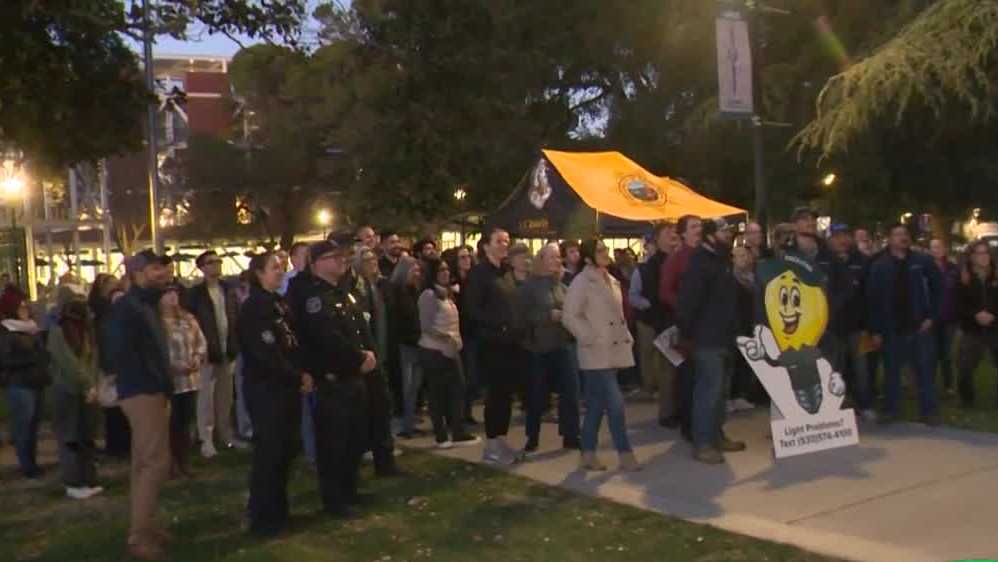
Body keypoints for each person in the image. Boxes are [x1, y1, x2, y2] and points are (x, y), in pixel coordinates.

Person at [294, 239, 378, 518]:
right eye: (333, 257)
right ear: (316, 264)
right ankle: (334, 499)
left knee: (354, 438)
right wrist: (358, 358)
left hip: (353, 376)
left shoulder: (341, 292)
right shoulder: (314, 298)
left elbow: (355, 328)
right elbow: (328, 338)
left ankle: (350, 490)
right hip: (333, 378)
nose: (342, 261)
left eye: (342, 256)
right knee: (334, 442)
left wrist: (366, 354)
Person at [238, 252, 313, 537]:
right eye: (274, 268)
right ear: (258, 273)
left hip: (287, 387)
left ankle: (279, 511)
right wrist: (296, 375)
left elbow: (292, 343)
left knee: (286, 450)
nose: (280, 271)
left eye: (282, 267)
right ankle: (263, 516)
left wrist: (302, 372)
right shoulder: (255, 308)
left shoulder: (278, 303)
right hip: (267, 389)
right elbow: (266, 353)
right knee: (270, 453)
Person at [109, 250, 175, 560]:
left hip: (150, 388)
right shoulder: (128, 306)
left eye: (164, 267)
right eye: (155, 268)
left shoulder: (145, 303)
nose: (163, 272)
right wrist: (152, 378)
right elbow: (120, 351)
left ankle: (145, 527)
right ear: (137, 272)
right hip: (141, 390)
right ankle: (139, 537)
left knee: (143, 463)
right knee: (155, 463)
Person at [562, 239, 641, 472]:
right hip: (596, 352)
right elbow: (570, 315)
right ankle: (625, 453)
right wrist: (589, 337)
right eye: (600, 251)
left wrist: (626, 335)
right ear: (588, 258)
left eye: (605, 249)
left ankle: (587, 453)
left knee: (596, 405)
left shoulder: (611, 279)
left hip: (613, 348)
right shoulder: (582, 281)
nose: (605, 253)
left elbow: (618, 314)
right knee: (615, 404)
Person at [677, 218, 745, 464]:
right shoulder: (700, 263)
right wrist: (690, 335)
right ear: (709, 236)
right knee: (708, 391)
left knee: (720, 393)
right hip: (707, 340)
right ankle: (703, 442)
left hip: (725, 337)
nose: (729, 234)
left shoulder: (721, 261)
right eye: (723, 231)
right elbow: (688, 304)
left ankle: (717, 434)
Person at [867, 223, 942, 425]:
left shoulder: (922, 261)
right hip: (891, 329)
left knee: (924, 371)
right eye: (897, 234)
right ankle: (892, 410)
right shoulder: (879, 265)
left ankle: (929, 411)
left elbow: (939, 290)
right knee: (891, 371)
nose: (903, 237)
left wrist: (932, 317)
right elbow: (872, 300)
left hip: (919, 326)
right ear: (889, 239)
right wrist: (875, 331)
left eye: (905, 234)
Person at [467, 228, 527, 465]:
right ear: (486, 246)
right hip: (492, 344)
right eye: (499, 241)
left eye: (507, 241)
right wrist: (499, 325)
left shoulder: (506, 272)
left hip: (511, 343)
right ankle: (491, 446)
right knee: (495, 394)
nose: (505, 245)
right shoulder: (479, 274)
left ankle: (501, 441)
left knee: (505, 395)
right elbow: (473, 309)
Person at [520, 243, 581, 452]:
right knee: (537, 396)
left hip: (562, 345)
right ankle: (532, 436)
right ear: (542, 260)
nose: (558, 261)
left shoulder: (561, 286)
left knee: (570, 391)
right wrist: (547, 316)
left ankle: (571, 435)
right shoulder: (530, 286)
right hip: (539, 349)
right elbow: (523, 315)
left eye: (558, 258)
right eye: (553, 257)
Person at [184, 251, 244, 458]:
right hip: (207, 353)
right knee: (205, 398)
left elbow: (235, 317)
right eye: (211, 262)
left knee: (225, 397)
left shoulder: (228, 290)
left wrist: (235, 345)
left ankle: (225, 434)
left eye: (218, 261)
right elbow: (191, 323)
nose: (216, 265)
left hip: (227, 349)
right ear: (202, 268)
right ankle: (206, 439)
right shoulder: (195, 294)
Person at [417, 258, 481, 449]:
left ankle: (458, 431)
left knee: (457, 390)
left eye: (446, 269)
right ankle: (441, 435)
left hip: (451, 351)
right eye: (440, 270)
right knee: (437, 394)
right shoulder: (428, 295)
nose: (445, 273)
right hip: (434, 351)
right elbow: (426, 326)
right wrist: (446, 338)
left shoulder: (447, 294)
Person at [352, 246, 404, 477]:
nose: (372, 262)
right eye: (366, 259)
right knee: (373, 405)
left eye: (374, 258)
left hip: (382, 350)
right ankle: (372, 448)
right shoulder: (358, 289)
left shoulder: (378, 286)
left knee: (382, 405)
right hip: (367, 356)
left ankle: (383, 453)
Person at [49, 299, 103, 499]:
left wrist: (93, 385)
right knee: (70, 437)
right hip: (67, 391)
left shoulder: (87, 333)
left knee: (86, 437)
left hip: (86, 392)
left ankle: (88, 478)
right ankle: (72, 482)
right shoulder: (58, 334)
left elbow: (93, 360)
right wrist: (88, 384)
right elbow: (68, 363)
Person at [630, 223, 680, 425]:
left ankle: (673, 409)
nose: (673, 236)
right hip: (655, 323)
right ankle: (665, 411)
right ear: (657, 239)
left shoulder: (681, 261)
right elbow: (634, 296)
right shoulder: (646, 268)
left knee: (673, 369)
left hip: (675, 322)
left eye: (675, 233)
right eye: (668, 233)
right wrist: (649, 305)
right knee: (663, 368)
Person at [660, 214, 703, 440]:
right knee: (687, 376)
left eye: (700, 226)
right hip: (687, 326)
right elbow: (665, 291)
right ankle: (687, 424)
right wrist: (686, 308)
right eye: (694, 226)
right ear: (683, 233)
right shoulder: (676, 259)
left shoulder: (706, 256)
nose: (699, 230)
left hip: (707, 326)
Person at [827, 225, 876, 422]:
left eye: (845, 236)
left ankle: (865, 405)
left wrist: (871, 326)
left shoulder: (863, 262)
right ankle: (832, 407)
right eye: (837, 237)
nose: (842, 240)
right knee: (833, 370)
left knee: (862, 369)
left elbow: (870, 295)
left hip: (859, 327)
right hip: (833, 328)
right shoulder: (826, 262)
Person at [159, 284, 207, 479]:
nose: (172, 296)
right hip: (170, 381)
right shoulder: (158, 322)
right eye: (167, 292)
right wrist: (174, 366)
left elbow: (200, 341)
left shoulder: (187, 318)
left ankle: (183, 460)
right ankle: (170, 464)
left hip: (190, 380)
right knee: (171, 424)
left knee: (185, 422)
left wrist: (197, 357)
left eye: (175, 293)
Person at [0, 293, 50, 479]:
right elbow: (5, 359)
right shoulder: (6, 332)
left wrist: (43, 357)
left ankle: (32, 461)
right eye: (21, 307)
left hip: (36, 381)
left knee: (33, 425)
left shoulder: (33, 329)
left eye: (26, 307)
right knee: (24, 426)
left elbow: (42, 352)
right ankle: (27, 465)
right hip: (19, 383)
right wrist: (31, 359)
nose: (25, 310)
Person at [89, 275, 130, 458]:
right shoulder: (103, 313)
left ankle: (121, 444)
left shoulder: (109, 312)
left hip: (118, 362)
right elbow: (104, 341)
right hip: (110, 365)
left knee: (120, 407)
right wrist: (110, 367)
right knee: (113, 407)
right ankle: (116, 445)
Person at [956, 241, 998, 407]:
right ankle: (967, 400)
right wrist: (975, 315)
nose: (983, 256)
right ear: (972, 257)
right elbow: (958, 304)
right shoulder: (964, 278)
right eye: (979, 253)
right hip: (972, 330)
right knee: (965, 368)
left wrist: (993, 315)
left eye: (986, 253)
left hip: (995, 328)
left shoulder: (995, 276)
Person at [389, 256, 425, 439]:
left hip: (418, 343)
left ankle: (409, 422)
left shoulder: (414, 291)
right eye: (414, 270)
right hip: (405, 345)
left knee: (415, 387)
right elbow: (397, 321)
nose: (417, 274)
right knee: (408, 387)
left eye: (418, 270)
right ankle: (404, 425)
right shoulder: (396, 292)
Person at [445, 245, 480, 424]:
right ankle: (455, 414)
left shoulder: (473, 280)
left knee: (471, 376)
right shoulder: (452, 282)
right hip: (457, 333)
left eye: (468, 257)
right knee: (459, 377)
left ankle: (466, 411)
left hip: (473, 333)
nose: (467, 260)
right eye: (462, 257)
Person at [729, 246, 758, 413]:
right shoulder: (730, 279)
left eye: (745, 255)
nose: (743, 259)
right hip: (736, 324)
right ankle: (729, 396)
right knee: (733, 361)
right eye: (738, 255)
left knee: (745, 361)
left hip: (750, 323)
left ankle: (740, 395)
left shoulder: (754, 278)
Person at [930, 238, 960, 395]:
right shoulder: (926, 268)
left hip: (950, 318)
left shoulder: (953, 269)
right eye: (933, 247)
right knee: (932, 353)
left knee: (947, 353)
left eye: (939, 246)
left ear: (945, 248)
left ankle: (949, 385)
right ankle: (931, 384)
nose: (937, 249)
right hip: (932, 319)